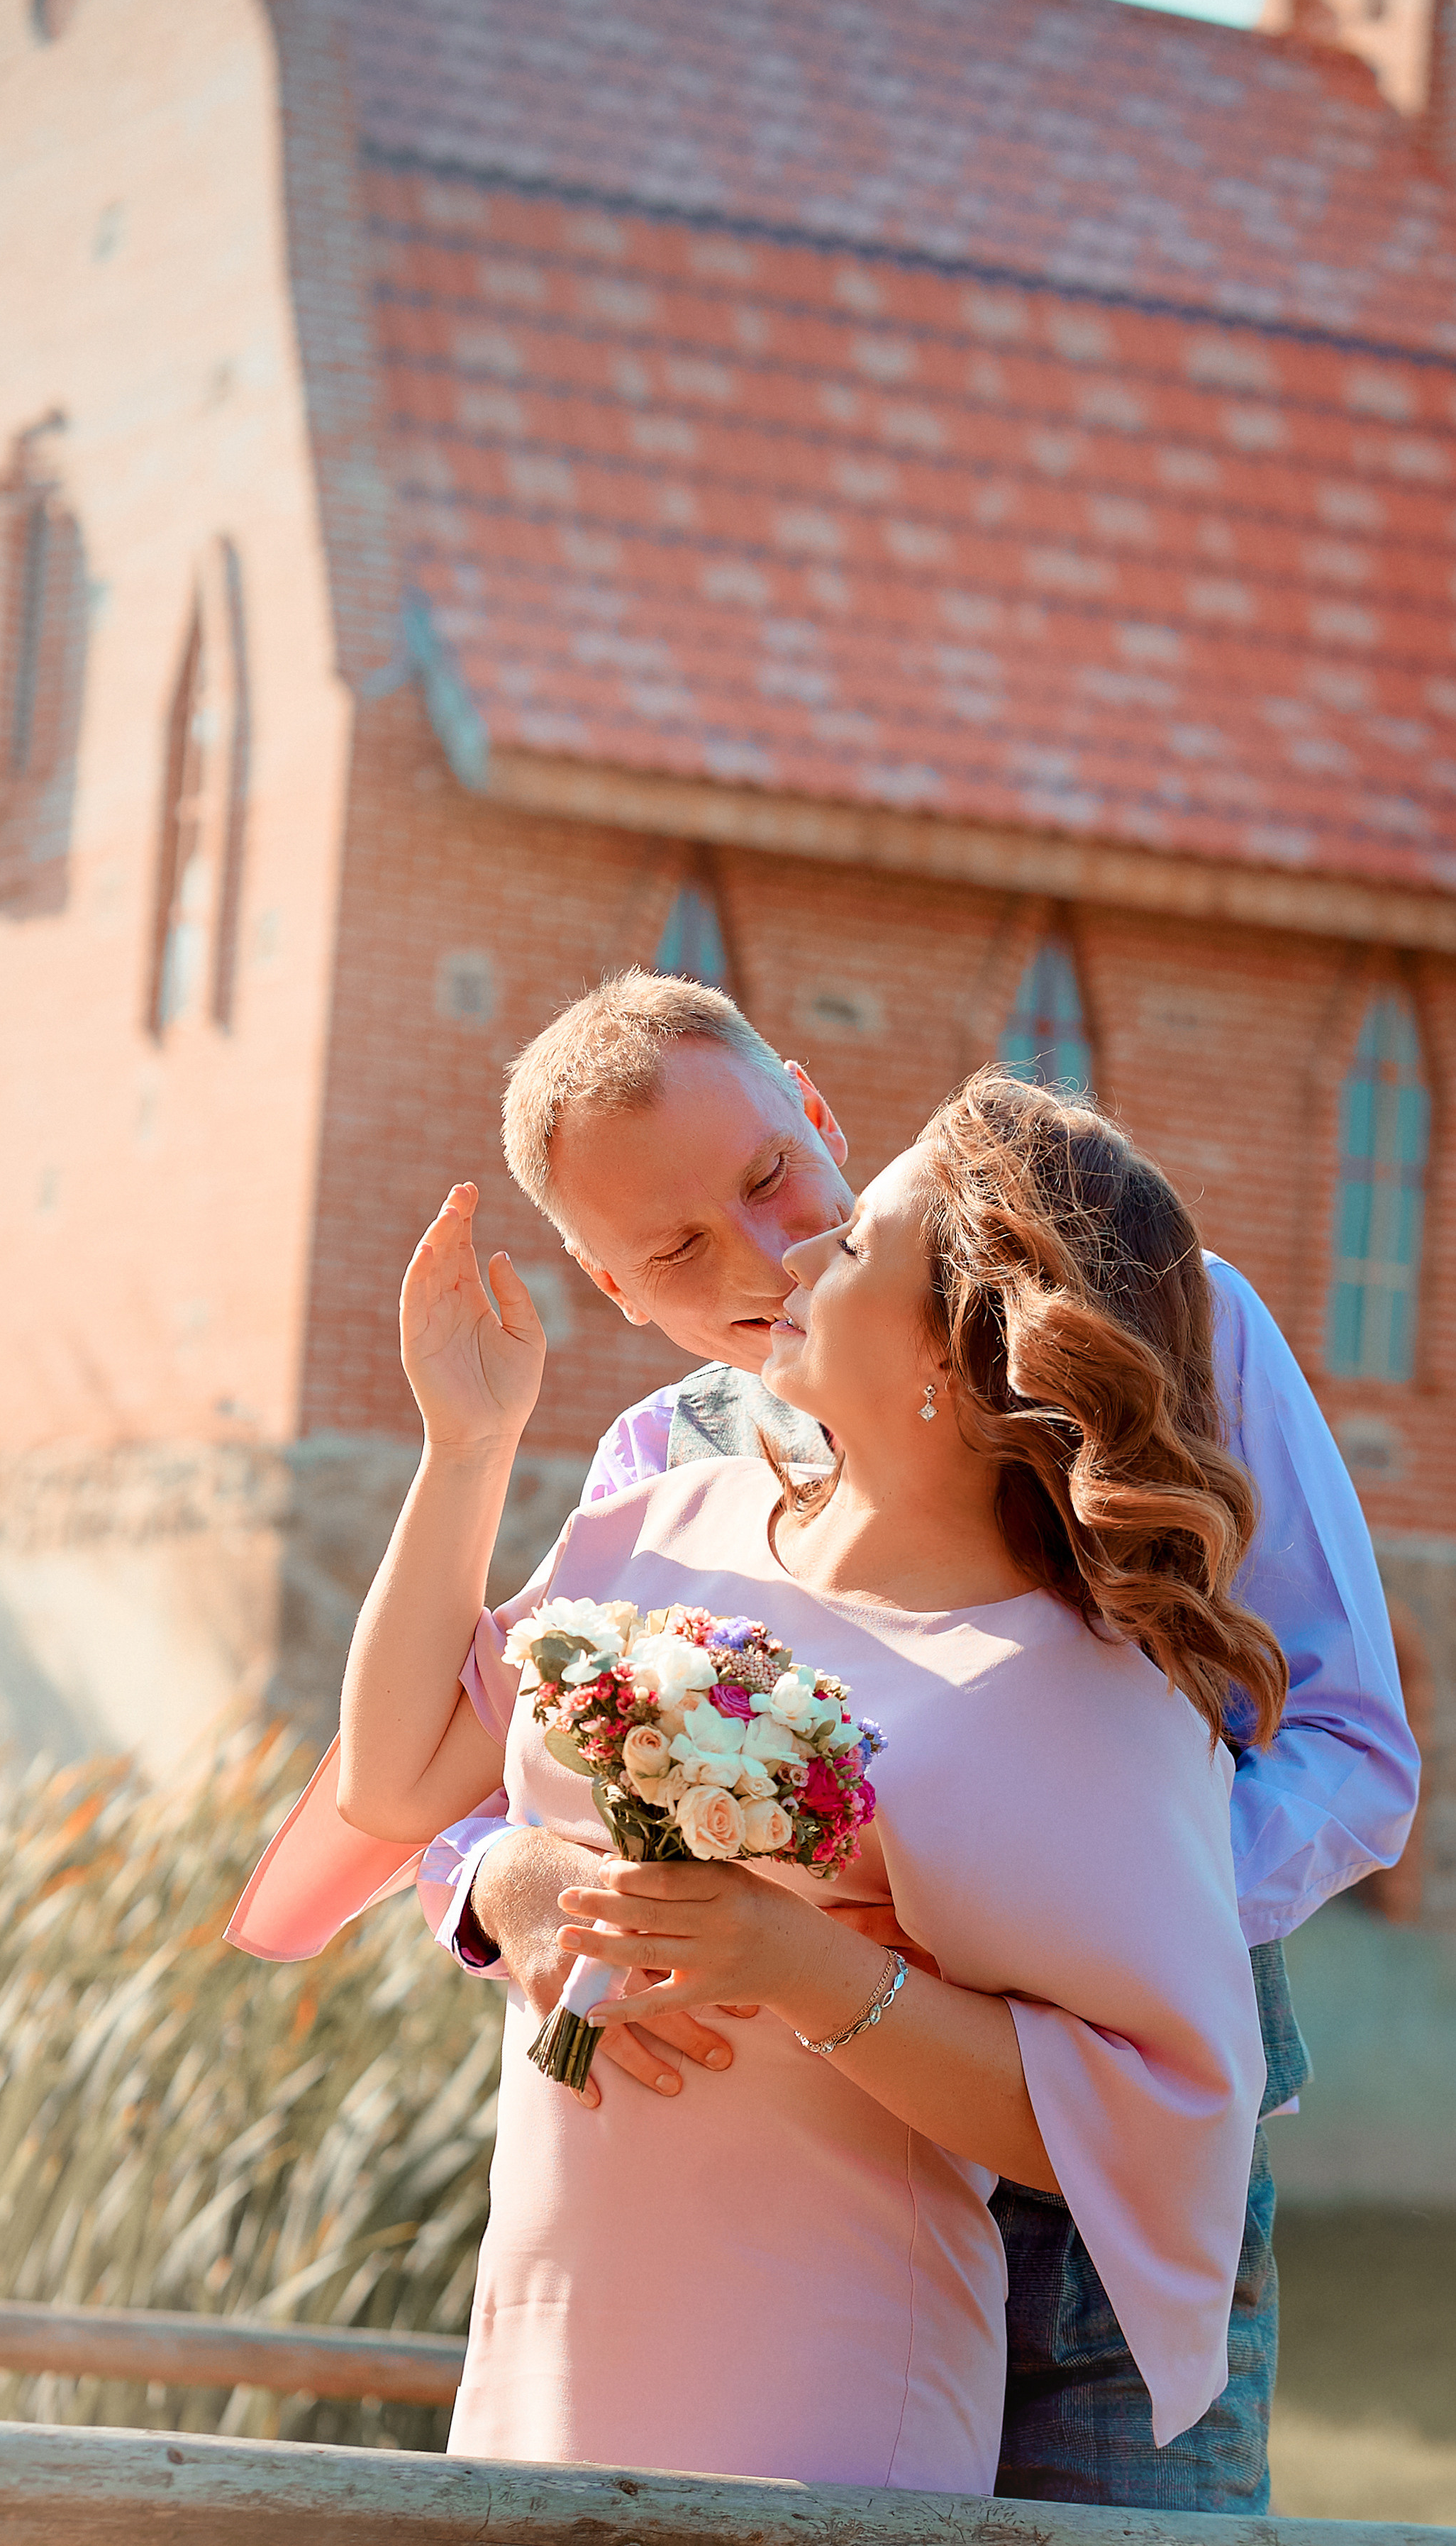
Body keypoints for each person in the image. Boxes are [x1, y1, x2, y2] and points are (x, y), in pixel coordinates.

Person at [409, 975, 1417, 2508]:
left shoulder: (1168, 1316)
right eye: (674, 1246)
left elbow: (1347, 1740)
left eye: (768, 1175)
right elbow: (457, 1790)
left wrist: (1032, 1916)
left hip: (1110, 2205)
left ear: (816, 1107)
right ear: (610, 1287)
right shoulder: (654, 1463)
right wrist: (507, 1882)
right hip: (780, 2228)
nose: (761, 1248)